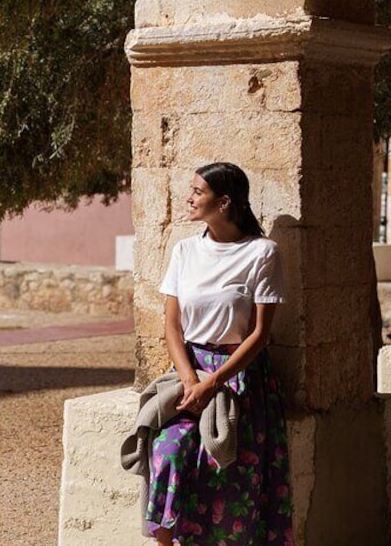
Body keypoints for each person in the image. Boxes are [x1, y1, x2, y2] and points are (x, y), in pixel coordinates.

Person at [147, 162, 293, 545]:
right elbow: (172, 327)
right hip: (190, 373)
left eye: (198, 191)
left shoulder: (262, 253)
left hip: (238, 379)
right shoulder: (184, 250)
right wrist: (191, 380)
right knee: (168, 451)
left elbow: (260, 334)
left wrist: (215, 382)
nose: (189, 197)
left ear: (224, 202)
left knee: (226, 473)